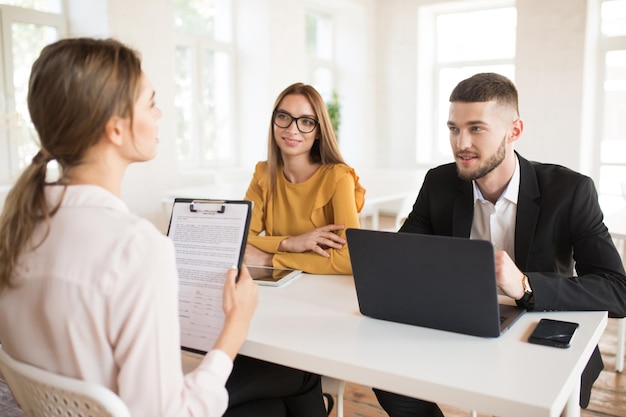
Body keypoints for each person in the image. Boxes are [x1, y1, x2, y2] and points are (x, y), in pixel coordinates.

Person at [0, 38, 327, 417]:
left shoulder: (16, 225)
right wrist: (235, 326)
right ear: (116, 129)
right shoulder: (135, 248)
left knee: (273, 405)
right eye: (150, 102)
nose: (159, 113)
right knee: (295, 384)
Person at [372, 72, 626, 417]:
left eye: (476, 128)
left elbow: (616, 291)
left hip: (539, 336)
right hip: (460, 330)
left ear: (514, 131)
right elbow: (401, 260)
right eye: (453, 129)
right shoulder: (439, 182)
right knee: (388, 379)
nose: (461, 143)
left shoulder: (570, 190)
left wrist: (525, 285)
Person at [243, 82, 365, 275]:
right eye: (283, 117)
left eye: (306, 121)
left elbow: (350, 259)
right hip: (280, 286)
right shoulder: (263, 173)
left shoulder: (338, 177)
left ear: (318, 131)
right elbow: (236, 237)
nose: (292, 129)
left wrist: (269, 259)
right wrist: (290, 243)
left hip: (322, 288)